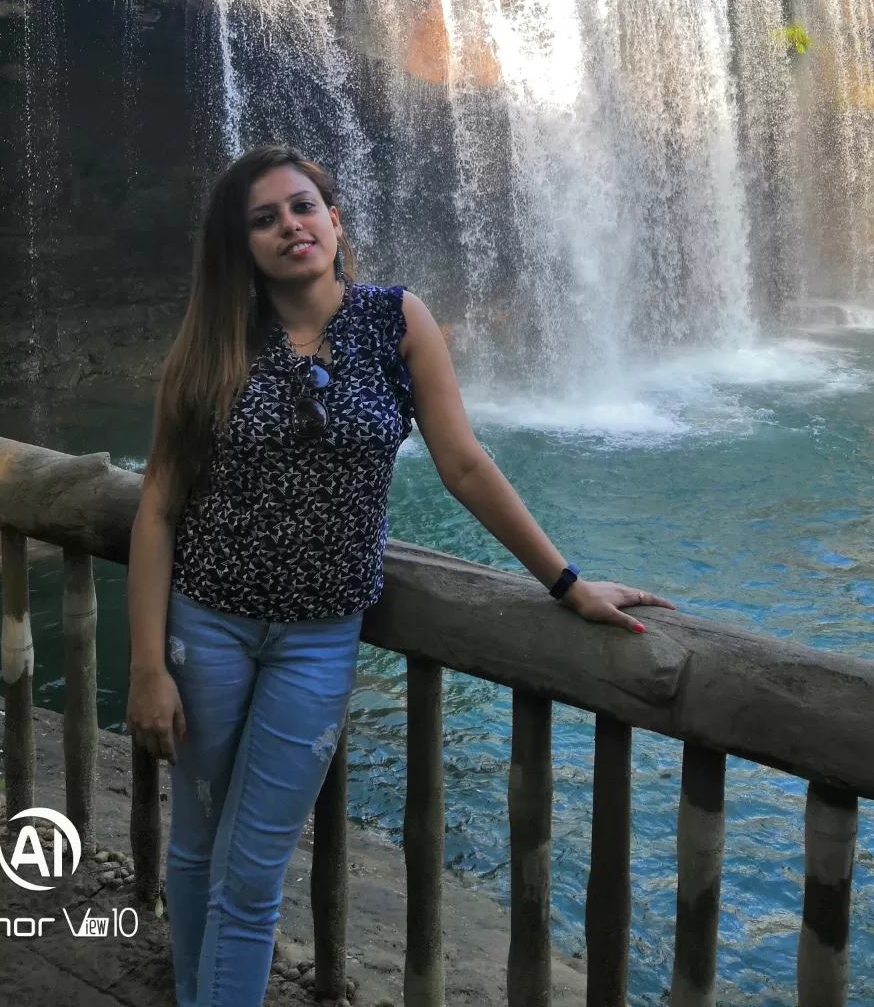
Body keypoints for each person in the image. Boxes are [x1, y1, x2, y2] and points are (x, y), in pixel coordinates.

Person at [125, 143, 673, 1007]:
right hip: (208, 628)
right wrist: (148, 666)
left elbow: (463, 466)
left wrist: (567, 583)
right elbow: (158, 504)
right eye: (263, 219)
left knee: (253, 865)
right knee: (196, 847)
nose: (289, 227)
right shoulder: (214, 341)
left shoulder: (396, 319)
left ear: (335, 220)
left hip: (318, 640)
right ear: (244, 245)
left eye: (302, 207)